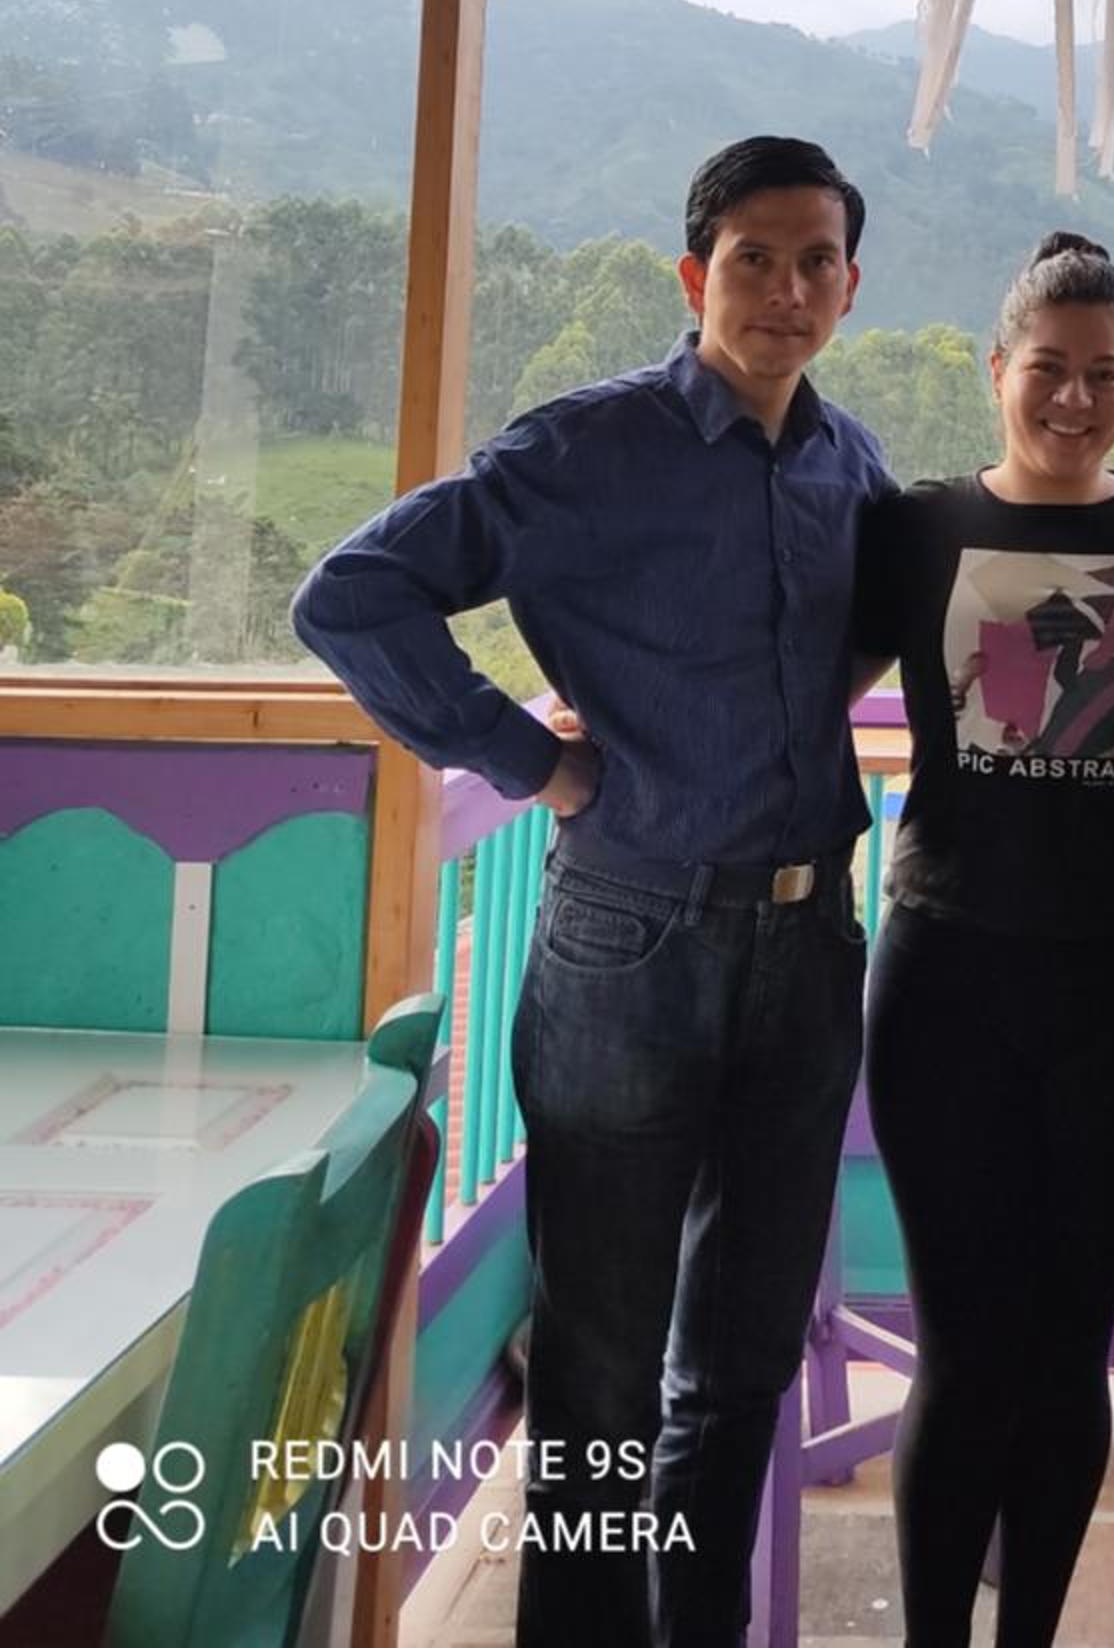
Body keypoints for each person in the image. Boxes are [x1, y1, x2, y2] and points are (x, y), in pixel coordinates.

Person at [292, 136, 892, 1648]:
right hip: (631, 937)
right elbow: (352, 596)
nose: (785, 289)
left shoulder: (849, 463)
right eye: (752, 258)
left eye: (815, 261)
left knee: (743, 1359)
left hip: (808, 941)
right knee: (603, 1363)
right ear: (695, 276)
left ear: (849, 287)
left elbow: (866, 633)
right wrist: (530, 761)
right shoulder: (587, 449)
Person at [853, 234, 1114, 1648]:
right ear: (995, 367)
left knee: (1070, 1345)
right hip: (946, 976)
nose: (1075, 399)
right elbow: (790, 678)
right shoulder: (916, 531)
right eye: (1049, 368)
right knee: (962, 1349)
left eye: (1105, 374)